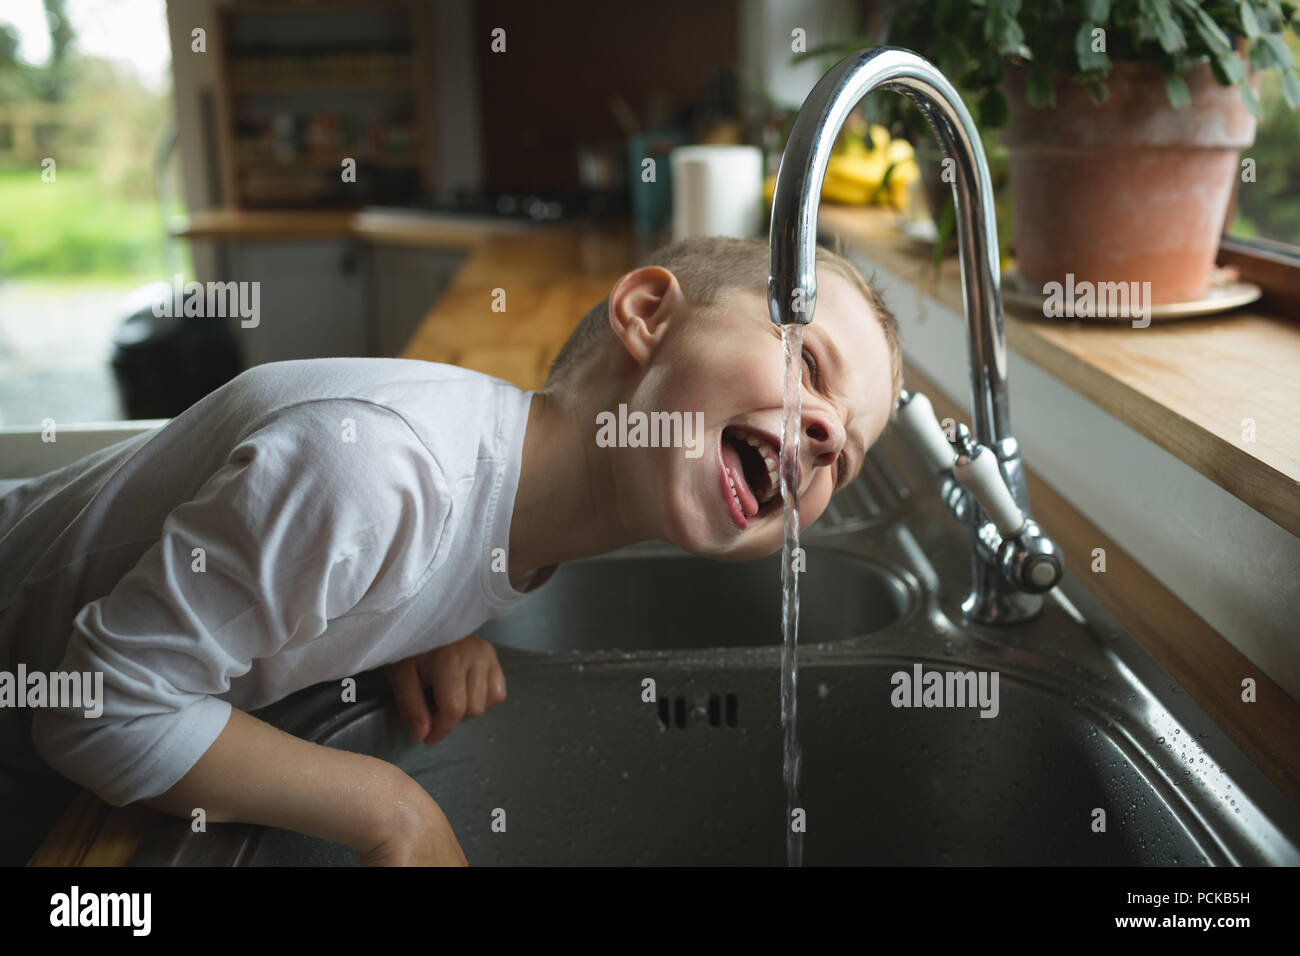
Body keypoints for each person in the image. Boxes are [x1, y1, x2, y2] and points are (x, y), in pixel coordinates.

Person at [0, 236, 901, 866]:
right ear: (647, 313)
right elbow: (93, 709)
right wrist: (390, 808)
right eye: (810, 365)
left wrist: (407, 617)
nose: (823, 433)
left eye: (847, 459)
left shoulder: (510, 513)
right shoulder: (378, 473)